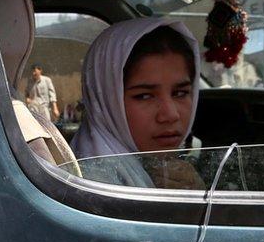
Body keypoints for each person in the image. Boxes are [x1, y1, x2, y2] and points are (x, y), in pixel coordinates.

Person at [71, 18, 205, 190]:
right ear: (107, 101)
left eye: (180, 93)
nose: (171, 115)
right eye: (144, 96)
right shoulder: (95, 186)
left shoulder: (150, 171)